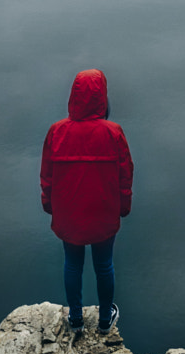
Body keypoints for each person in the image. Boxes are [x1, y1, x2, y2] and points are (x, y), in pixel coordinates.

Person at [40, 68, 133, 334]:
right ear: (103, 97)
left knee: (72, 264)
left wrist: (50, 206)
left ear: (74, 96)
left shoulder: (57, 132)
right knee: (104, 265)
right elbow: (125, 175)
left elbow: (47, 176)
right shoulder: (114, 133)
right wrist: (123, 208)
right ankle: (105, 321)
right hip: (104, 212)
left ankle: (76, 321)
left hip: (69, 213)